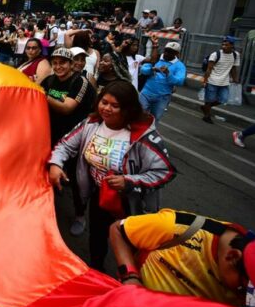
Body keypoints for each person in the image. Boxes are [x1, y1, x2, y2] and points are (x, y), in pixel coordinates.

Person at [49, 80, 176, 271]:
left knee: (132, 242)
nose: (106, 109)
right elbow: (65, 145)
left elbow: (165, 171)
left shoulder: (144, 136)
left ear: (128, 109)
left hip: (131, 202)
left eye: (114, 105)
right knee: (97, 236)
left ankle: (131, 282)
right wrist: (56, 164)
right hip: (99, 195)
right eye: (104, 102)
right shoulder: (91, 124)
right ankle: (96, 272)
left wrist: (129, 181)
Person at [109, 208, 254, 307]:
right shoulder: (178, 227)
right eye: (243, 290)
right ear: (232, 257)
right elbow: (118, 229)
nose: (243, 299)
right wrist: (130, 277)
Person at [41, 47, 96, 236]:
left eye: (63, 62)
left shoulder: (79, 82)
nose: (58, 66)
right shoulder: (49, 80)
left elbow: (67, 108)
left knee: (78, 179)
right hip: (52, 135)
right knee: (50, 171)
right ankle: (49, 209)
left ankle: (80, 216)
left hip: (76, 140)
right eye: (55, 63)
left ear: (72, 65)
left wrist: (43, 94)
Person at [139, 36, 185, 122]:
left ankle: (149, 133)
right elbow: (143, 69)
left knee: (155, 118)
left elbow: (180, 81)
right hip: (146, 93)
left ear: (177, 54)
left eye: (171, 52)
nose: (167, 54)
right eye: (166, 51)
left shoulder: (180, 66)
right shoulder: (156, 57)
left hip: (163, 97)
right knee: (139, 114)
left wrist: (168, 74)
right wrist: (152, 69)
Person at [201, 36, 240, 124]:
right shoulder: (215, 54)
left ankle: (205, 107)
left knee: (223, 99)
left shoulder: (235, 55)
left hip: (225, 82)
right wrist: (204, 81)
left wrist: (235, 79)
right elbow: (209, 69)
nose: (223, 46)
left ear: (232, 46)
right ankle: (207, 116)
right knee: (209, 100)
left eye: (226, 45)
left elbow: (233, 68)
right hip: (212, 81)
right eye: (223, 44)